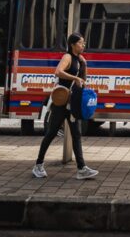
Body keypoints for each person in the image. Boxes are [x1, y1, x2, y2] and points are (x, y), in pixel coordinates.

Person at [33, 33, 99, 180]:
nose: (83, 45)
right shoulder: (67, 57)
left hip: (72, 104)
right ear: (73, 45)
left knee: (76, 134)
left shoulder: (79, 59)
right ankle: (38, 165)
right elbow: (58, 71)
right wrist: (74, 77)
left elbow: (83, 80)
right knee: (51, 133)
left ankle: (81, 168)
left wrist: (84, 65)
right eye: (81, 43)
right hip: (62, 103)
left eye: (84, 43)